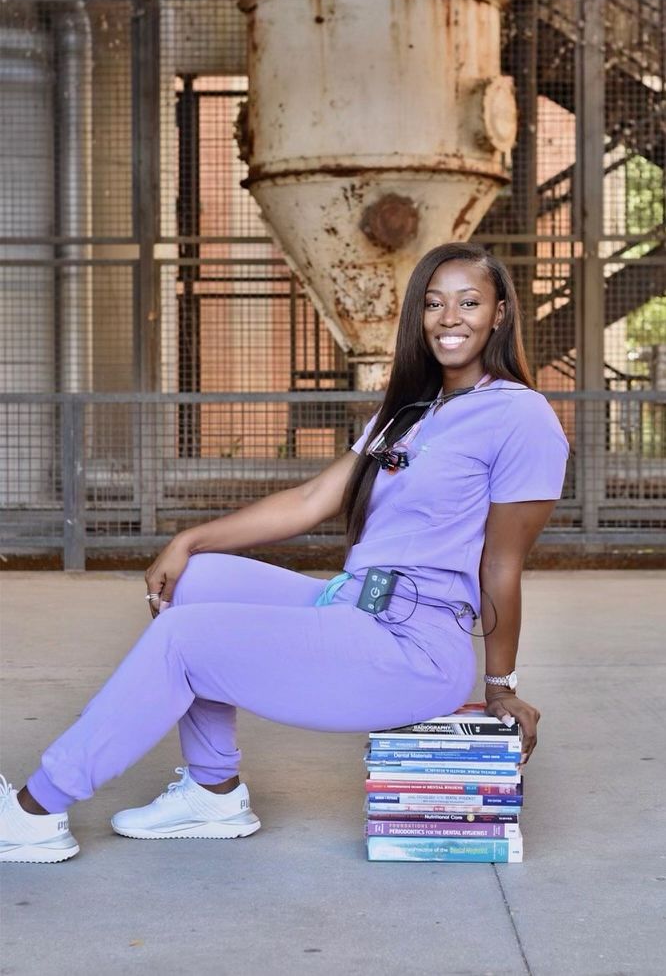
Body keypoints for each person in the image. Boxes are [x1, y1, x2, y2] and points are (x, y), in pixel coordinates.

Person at [0, 242, 569, 863]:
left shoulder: (522, 417)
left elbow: (501, 563)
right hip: (352, 603)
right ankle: (211, 792)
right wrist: (189, 539)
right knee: (196, 581)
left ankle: (36, 809)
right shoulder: (407, 409)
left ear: (501, 313)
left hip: (415, 645)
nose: (450, 318)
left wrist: (501, 685)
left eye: (468, 302)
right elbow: (312, 499)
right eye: (434, 303)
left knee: (185, 638)